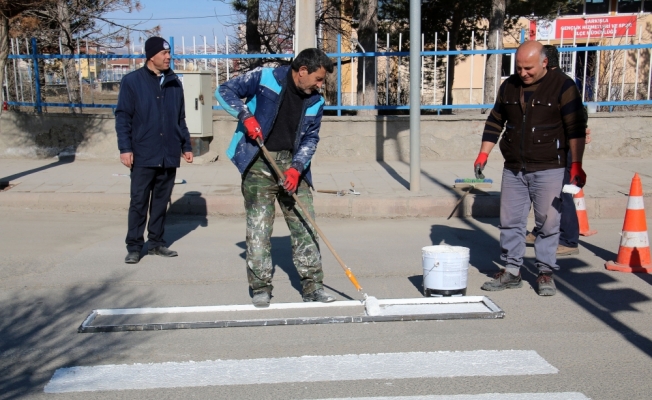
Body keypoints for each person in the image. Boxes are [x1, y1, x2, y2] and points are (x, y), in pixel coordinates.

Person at [215, 48, 336, 307]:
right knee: (259, 228)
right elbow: (223, 90)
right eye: (318, 78)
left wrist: (297, 167)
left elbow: (311, 137)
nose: (320, 84)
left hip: (293, 165)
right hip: (259, 161)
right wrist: (245, 117)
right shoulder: (264, 78)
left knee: (305, 225)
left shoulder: (316, 100)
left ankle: (313, 287)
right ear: (302, 71)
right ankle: (260, 287)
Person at [474, 41, 587, 296]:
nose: (523, 73)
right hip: (514, 167)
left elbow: (575, 128)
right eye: (519, 67)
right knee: (510, 221)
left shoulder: (563, 85)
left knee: (548, 222)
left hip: (549, 166)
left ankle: (545, 272)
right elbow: (495, 121)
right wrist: (483, 153)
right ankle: (512, 271)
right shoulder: (509, 86)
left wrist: (577, 164)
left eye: (529, 68)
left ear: (544, 62)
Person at [115, 37, 193, 264]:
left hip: (168, 153)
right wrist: (125, 148)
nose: (168, 57)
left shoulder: (174, 82)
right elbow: (123, 117)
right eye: (163, 54)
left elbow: (180, 117)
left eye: (169, 54)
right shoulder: (132, 82)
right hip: (143, 152)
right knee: (139, 201)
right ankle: (134, 246)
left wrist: (186, 145)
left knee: (161, 201)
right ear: (151, 56)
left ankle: (156, 243)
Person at [525, 44, 592, 256]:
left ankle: (569, 240)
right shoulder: (547, 82)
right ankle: (540, 230)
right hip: (548, 148)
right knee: (543, 191)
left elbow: (576, 116)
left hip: (562, 147)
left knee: (562, 193)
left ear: (545, 63)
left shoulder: (562, 83)